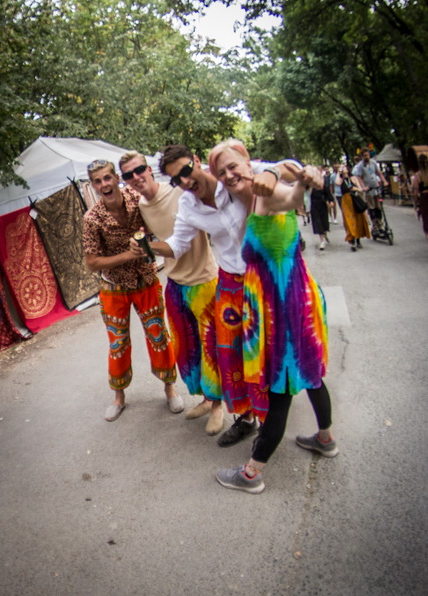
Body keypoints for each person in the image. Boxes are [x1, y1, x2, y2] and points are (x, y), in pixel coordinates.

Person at [130, 145, 323, 447]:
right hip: (231, 283)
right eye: (176, 179)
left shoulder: (229, 175)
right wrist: (147, 247)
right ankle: (246, 418)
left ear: (197, 162)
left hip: (266, 280)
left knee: (271, 351)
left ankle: (274, 420)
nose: (185, 181)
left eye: (186, 171)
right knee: (232, 355)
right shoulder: (188, 205)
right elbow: (177, 245)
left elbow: (287, 166)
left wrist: (272, 173)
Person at [208, 140, 338, 494]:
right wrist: (290, 174)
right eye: (221, 172)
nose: (228, 175)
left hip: (284, 307)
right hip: (292, 299)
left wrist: (300, 181)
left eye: (233, 166)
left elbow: (291, 197)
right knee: (310, 373)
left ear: (248, 162)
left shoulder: (266, 193)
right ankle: (325, 439)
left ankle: (252, 473)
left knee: (281, 386)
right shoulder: (250, 195)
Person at [118, 151, 223, 435]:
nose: (136, 177)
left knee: (211, 347)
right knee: (187, 349)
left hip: (204, 279)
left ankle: (218, 406)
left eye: (139, 170)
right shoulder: (140, 206)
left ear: (149, 169)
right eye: (128, 175)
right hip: (175, 282)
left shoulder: (179, 190)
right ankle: (206, 398)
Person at [82, 159, 183, 421]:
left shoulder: (137, 200)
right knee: (118, 343)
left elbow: (160, 208)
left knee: (159, 335)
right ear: (92, 186)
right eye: (97, 181)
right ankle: (119, 397)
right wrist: (128, 255)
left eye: (107, 178)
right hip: (113, 286)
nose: (104, 184)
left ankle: (170, 389)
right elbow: (92, 263)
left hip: (146, 279)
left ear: (116, 178)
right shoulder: (92, 219)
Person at [353, 148, 388, 235]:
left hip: (376, 188)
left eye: (368, 155)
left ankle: (380, 225)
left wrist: (384, 181)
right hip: (369, 190)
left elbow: (379, 172)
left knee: (379, 208)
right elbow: (359, 178)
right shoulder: (360, 166)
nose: (367, 157)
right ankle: (375, 226)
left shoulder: (373, 163)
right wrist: (363, 187)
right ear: (362, 156)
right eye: (365, 156)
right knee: (372, 208)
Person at [335, 165, 371, 251]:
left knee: (358, 219)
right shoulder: (341, 179)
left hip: (354, 199)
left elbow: (360, 189)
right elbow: (337, 183)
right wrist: (338, 173)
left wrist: (355, 188)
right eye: (341, 167)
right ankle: (352, 240)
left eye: (344, 167)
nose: (342, 168)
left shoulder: (353, 178)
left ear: (348, 169)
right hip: (346, 201)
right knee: (349, 220)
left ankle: (358, 240)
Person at [310, 170, 335, 250]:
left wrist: (331, 201)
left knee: (324, 221)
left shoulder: (322, 184)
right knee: (317, 222)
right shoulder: (310, 185)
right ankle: (322, 240)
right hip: (314, 205)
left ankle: (324, 234)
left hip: (322, 204)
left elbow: (328, 193)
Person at [411, 153, 428, 241]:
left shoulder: (418, 175)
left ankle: (427, 233)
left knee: (426, 216)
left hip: (424, 197)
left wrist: (415, 202)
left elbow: (415, 192)